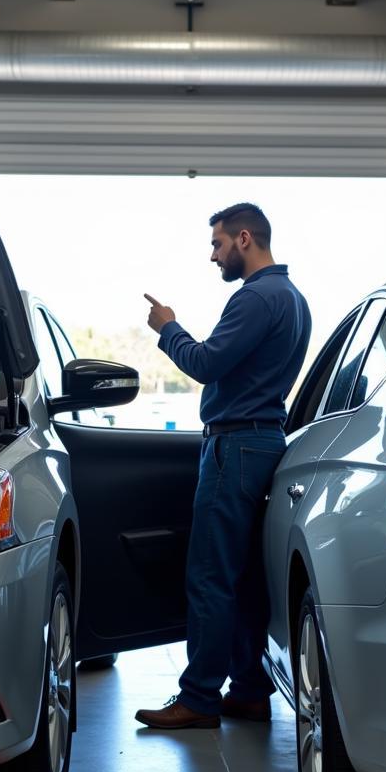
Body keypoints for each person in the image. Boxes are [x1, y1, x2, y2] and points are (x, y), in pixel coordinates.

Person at [135, 202, 311, 730]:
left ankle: (199, 698)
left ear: (243, 238)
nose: (212, 255)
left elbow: (206, 362)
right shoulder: (294, 299)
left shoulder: (255, 297)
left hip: (234, 446)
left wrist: (168, 328)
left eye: (217, 244)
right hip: (263, 443)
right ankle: (250, 689)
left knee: (211, 576)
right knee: (245, 577)